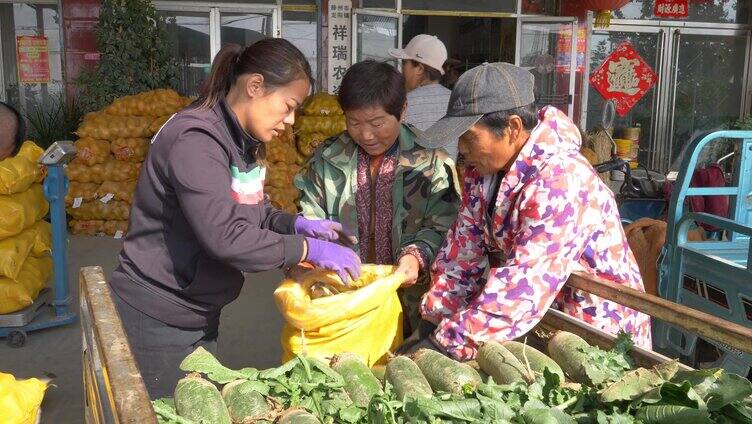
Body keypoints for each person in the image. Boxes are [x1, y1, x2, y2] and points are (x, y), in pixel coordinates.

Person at [108, 39, 361, 398]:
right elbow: (225, 237)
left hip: (197, 310)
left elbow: (251, 210)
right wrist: (305, 248)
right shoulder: (196, 140)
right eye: (288, 106)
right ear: (255, 86)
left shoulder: (239, 141)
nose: (290, 121)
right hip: (159, 315)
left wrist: (295, 224)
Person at [404, 62, 652, 360]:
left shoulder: (563, 181)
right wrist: (432, 319)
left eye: (469, 137)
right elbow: (463, 249)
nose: (462, 149)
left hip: (597, 334)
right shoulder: (481, 172)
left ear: (512, 128)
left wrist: (446, 343)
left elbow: (524, 285)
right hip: (540, 325)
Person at [294, 60, 460, 334]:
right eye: (354, 122)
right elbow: (309, 214)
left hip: (411, 301)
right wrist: (305, 260)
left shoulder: (431, 161)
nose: (366, 134)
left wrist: (416, 256)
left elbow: (444, 225)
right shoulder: (327, 158)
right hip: (341, 297)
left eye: (377, 122)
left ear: (402, 110)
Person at [389, 35, 458, 161]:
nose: (402, 69)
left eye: (405, 63)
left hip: (412, 178)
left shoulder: (403, 103)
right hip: (448, 177)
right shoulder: (456, 101)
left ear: (420, 69)